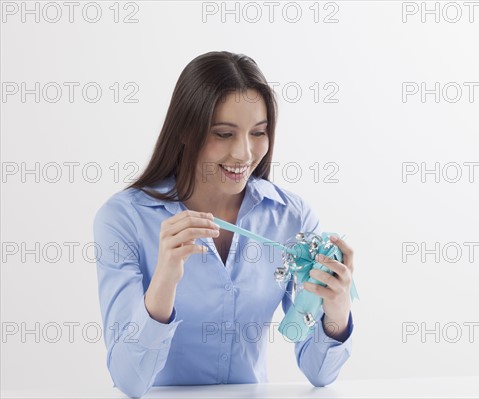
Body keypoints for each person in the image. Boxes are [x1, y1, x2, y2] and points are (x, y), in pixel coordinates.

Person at [93, 51, 355, 398]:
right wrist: (164, 280)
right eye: (224, 134)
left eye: (258, 132)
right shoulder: (123, 219)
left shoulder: (292, 217)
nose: (244, 154)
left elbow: (319, 374)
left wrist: (336, 310)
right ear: (186, 129)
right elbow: (129, 380)